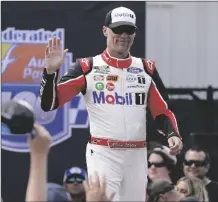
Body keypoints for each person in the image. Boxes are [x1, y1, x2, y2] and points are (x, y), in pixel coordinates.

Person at [39, 6, 183, 201]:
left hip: (137, 153)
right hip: (103, 152)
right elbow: (49, 104)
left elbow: (162, 111)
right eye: (118, 29)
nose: (124, 35)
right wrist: (50, 73)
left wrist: (172, 133)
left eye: (129, 30)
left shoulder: (146, 69)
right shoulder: (87, 67)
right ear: (105, 30)